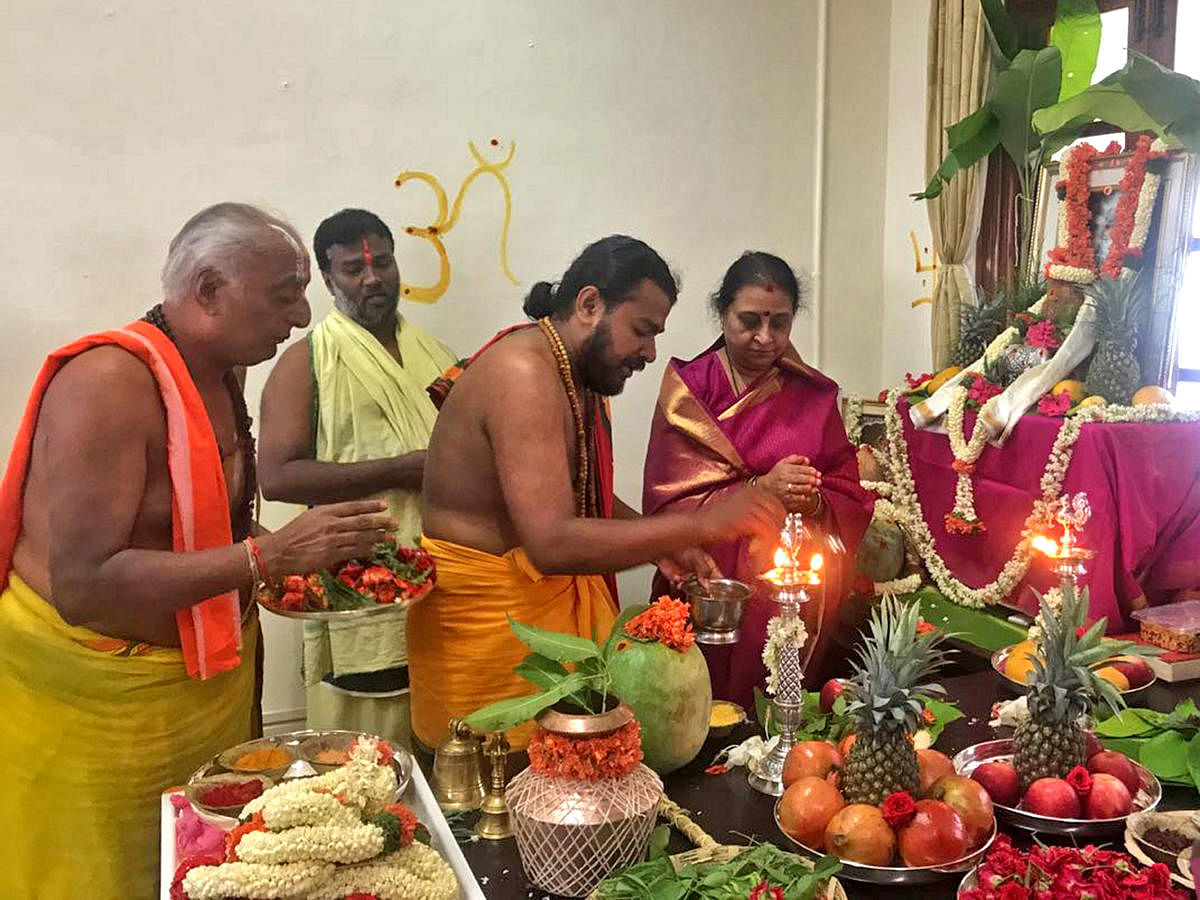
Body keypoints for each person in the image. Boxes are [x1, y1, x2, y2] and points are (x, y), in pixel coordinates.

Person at [0, 203, 395, 898]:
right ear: (209, 290)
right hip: (99, 715)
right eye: (284, 295)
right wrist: (264, 560)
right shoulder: (108, 384)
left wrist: (316, 554)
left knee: (205, 870)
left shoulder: (220, 371)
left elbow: (201, 531)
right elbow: (84, 584)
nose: (302, 316)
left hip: (202, 692)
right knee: (104, 880)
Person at [410, 235, 783, 750]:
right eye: (642, 330)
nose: (651, 353)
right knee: (492, 811)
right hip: (488, 641)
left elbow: (588, 495)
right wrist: (705, 522)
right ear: (589, 304)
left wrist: (662, 542)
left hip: (528, 629)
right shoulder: (523, 374)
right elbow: (552, 542)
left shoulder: (571, 372)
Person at [642, 251, 872, 711]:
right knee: (694, 712)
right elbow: (665, 500)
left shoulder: (812, 394)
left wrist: (811, 502)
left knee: (776, 714)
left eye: (780, 323)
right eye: (749, 321)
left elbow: (847, 490)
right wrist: (757, 491)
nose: (765, 338)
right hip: (704, 579)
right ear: (722, 313)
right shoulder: (690, 390)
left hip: (787, 589)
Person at [258, 209, 456, 742]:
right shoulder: (308, 361)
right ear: (328, 280)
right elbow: (275, 477)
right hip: (360, 585)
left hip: (443, 581)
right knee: (367, 754)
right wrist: (401, 470)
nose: (372, 278)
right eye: (352, 269)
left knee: (444, 739)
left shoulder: (437, 357)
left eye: (383, 264)